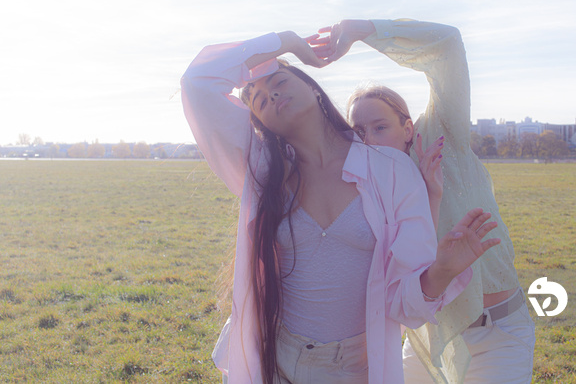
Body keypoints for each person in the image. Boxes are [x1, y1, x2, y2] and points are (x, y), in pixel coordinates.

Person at [180, 28, 502, 384]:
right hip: (276, 360)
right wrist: (285, 42)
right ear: (262, 123)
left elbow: (403, 304)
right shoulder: (262, 170)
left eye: (278, 81)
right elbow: (198, 81)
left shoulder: (392, 171)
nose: (268, 93)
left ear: (314, 89)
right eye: (256, 99)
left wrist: (441, 271)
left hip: (356, 368)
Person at [311, 19, 536, 383]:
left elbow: (448, 45)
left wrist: (361, 30)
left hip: (496, 337)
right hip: (429, 341)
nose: (369, 140)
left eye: (380, 126)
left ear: (408, 128)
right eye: (359, 131)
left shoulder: (441, 141)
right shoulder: (363, 188)